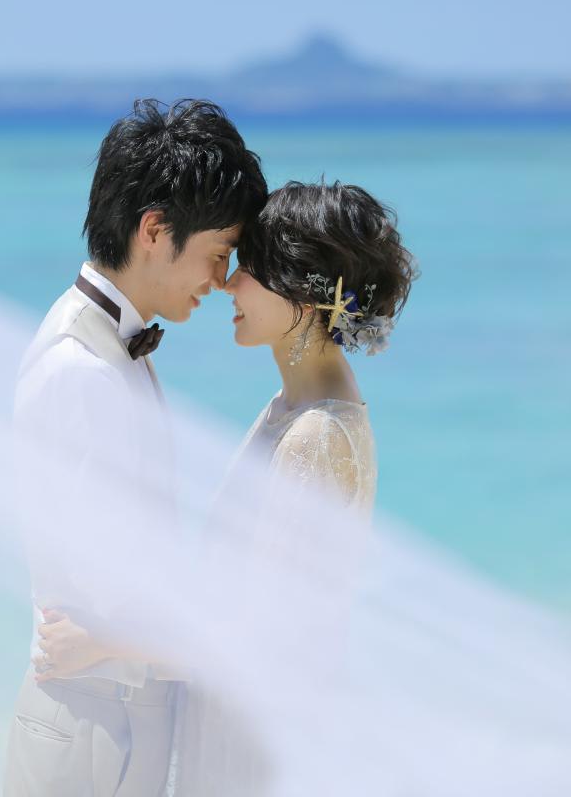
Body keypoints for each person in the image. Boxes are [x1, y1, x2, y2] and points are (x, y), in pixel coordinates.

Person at [2, 98, 267, 797]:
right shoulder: (82, 370)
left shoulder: (108, 345)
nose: (221, 280)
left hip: (111, 720)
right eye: (218, 254)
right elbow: (117, 598)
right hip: (98, 732)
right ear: (155, 230)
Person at [172, 180, 416, 795]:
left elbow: (267, 630)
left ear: (305, 296)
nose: (229, 284)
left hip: (252, 745)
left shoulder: (316, 433)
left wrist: (113, 641)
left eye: (250, 269)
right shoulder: (300, 403)